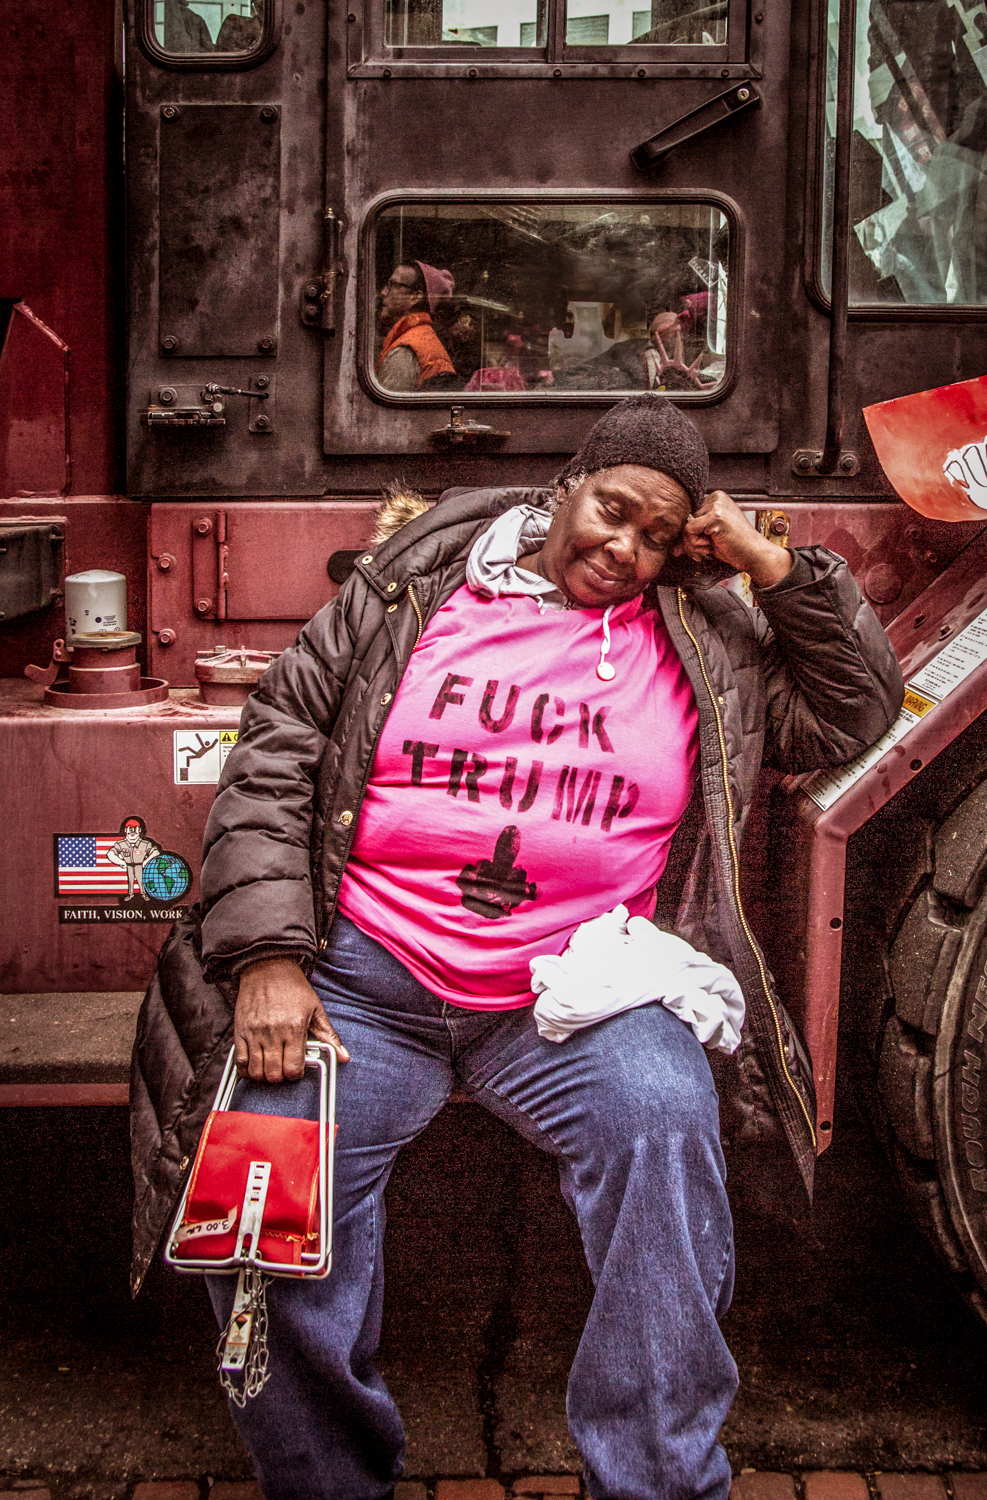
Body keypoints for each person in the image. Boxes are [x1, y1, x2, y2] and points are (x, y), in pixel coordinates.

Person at [130, 395, 903, 1500]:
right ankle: (326, 1480)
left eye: (655, 536)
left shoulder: (702, 634)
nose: (622, 549)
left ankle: (653, 1482)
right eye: (611, 511)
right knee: (269, 1174)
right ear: (567, 485)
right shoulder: (413, 586)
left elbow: (853, 710)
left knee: (664, 1124)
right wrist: (266, 959)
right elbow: (274, 753)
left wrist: (766, 563)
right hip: (362, 979)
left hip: (570, 994)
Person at [376, 261, 456, 390]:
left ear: (415, 297)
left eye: (393, 285)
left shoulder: (405, 349)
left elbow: (386, 410)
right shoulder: (421, 336)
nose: (383, 293)